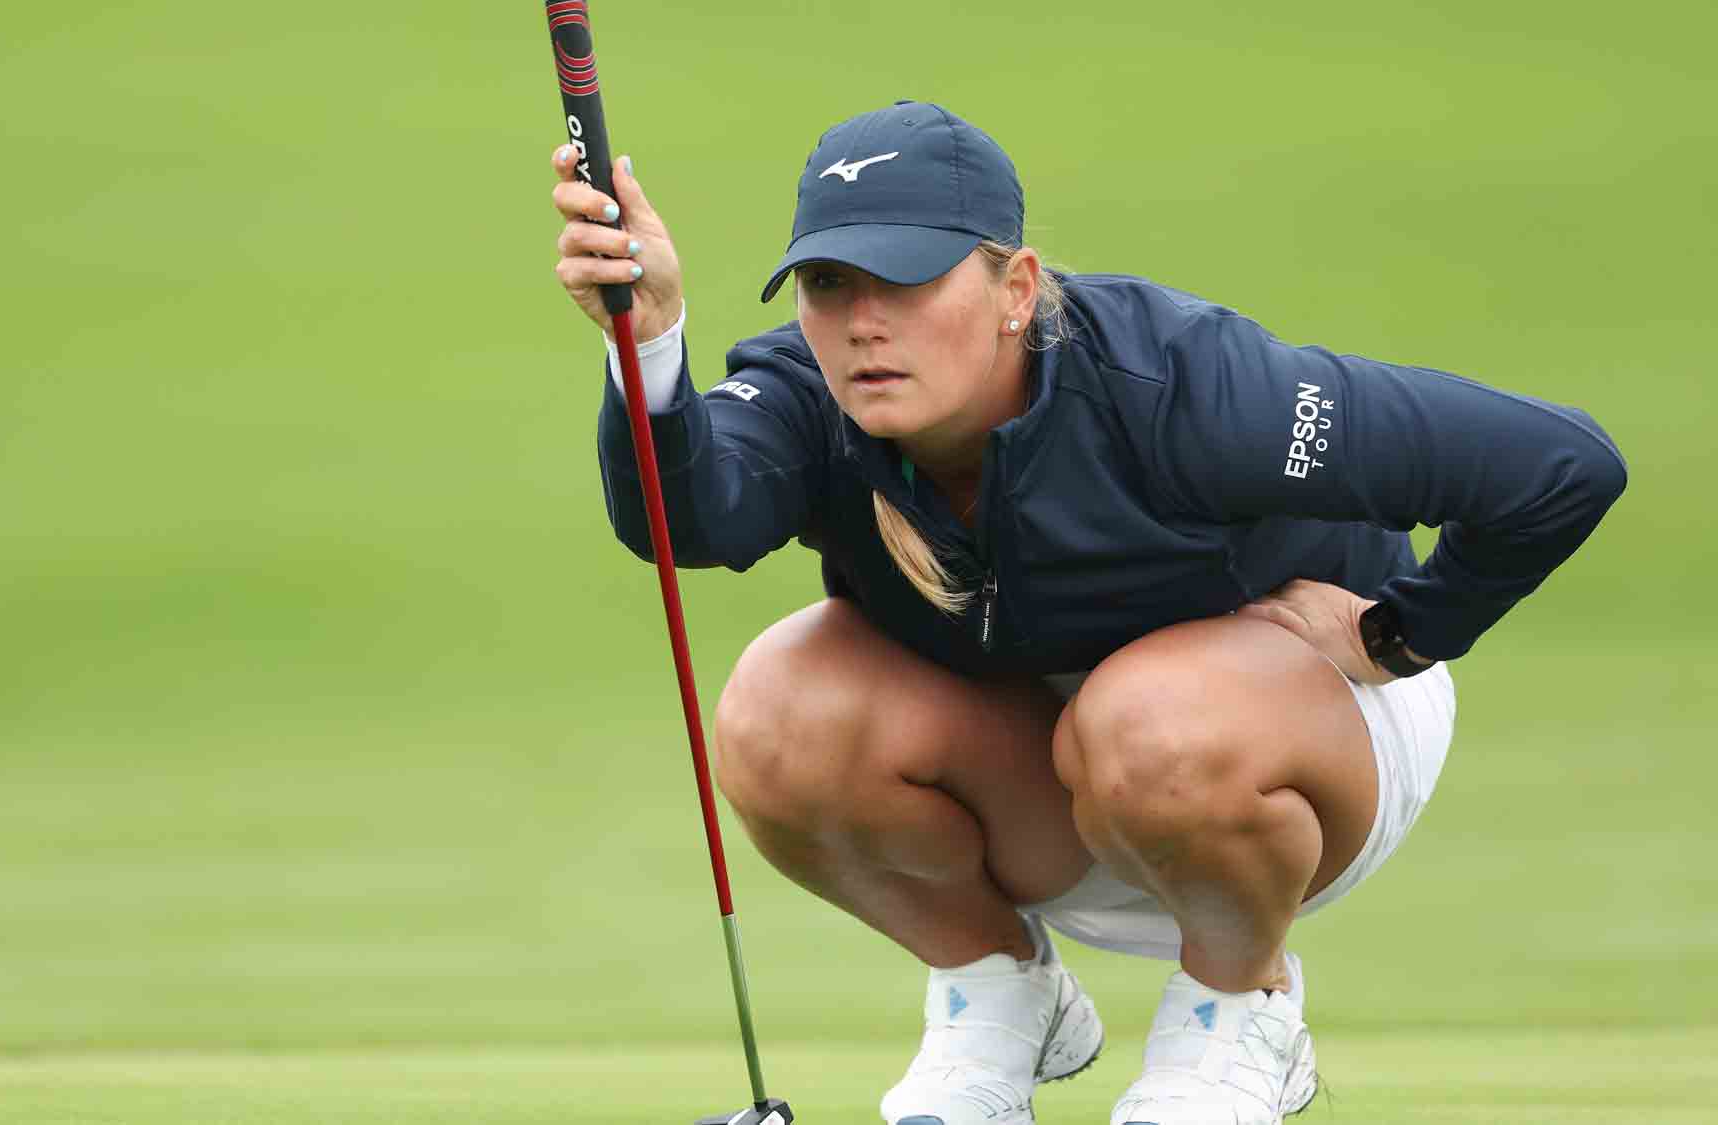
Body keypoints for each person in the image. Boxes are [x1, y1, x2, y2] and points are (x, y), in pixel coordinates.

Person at [548, 100, 1625, 1125]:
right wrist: (647, 341)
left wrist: (1400, 633)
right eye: (828, 282)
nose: (862, 323)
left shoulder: (1184, 385)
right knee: (779, 703)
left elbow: (1553, 465)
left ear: (1015, 287)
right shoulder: (810, 399)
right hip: (1039, 748)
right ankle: (996, 992)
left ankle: (1238, 1007)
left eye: (907, 279)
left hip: (1287, 742)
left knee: (1145, 719)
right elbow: (692, 522)